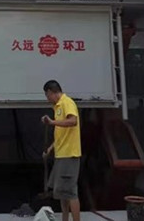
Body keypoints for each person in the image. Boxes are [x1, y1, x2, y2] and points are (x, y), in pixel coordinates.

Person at [41, 79, 81, 221]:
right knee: (63, 192)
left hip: (69, 154)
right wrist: (50, 149)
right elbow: (61, 133)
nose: (47, 99)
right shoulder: (57, 107)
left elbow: (73, 121)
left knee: (70, 191)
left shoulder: (67, 102)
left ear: (51, 92)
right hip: (61, 154)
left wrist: (52, 122)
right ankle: (65, 218)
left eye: (47, 95)